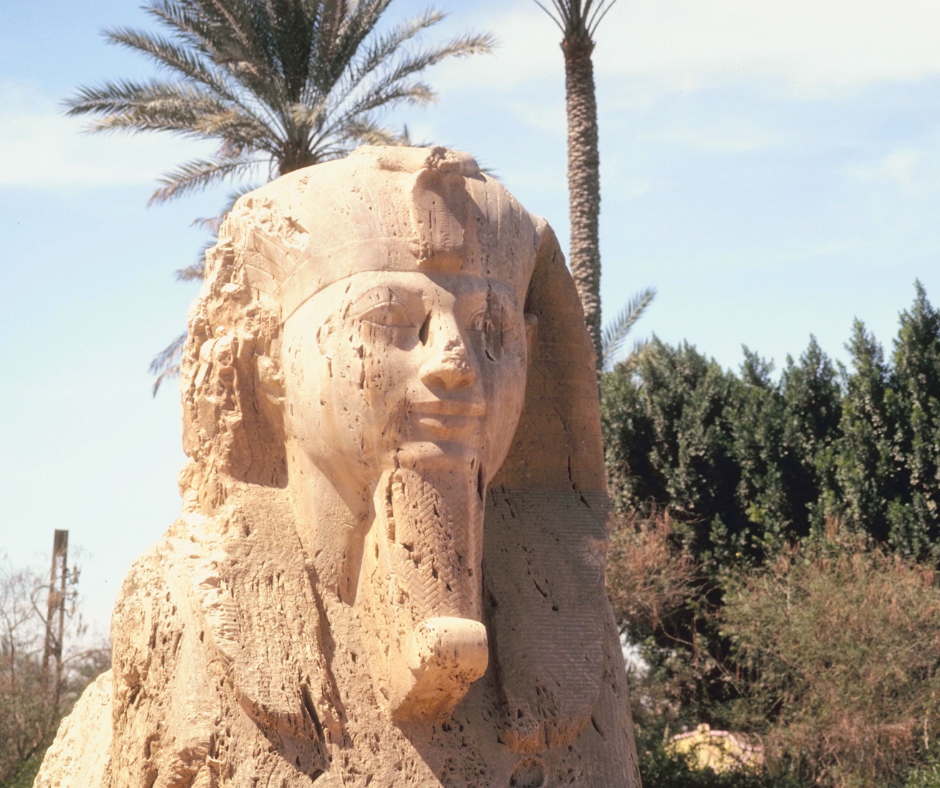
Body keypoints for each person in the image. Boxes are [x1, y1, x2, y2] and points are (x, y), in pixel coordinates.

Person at [37, 146, 641, 788]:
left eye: (490, 330)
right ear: (271, 364)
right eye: (391, 320)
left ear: (532, 350)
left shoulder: (574, 630)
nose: (456, 363)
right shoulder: (178, 602)